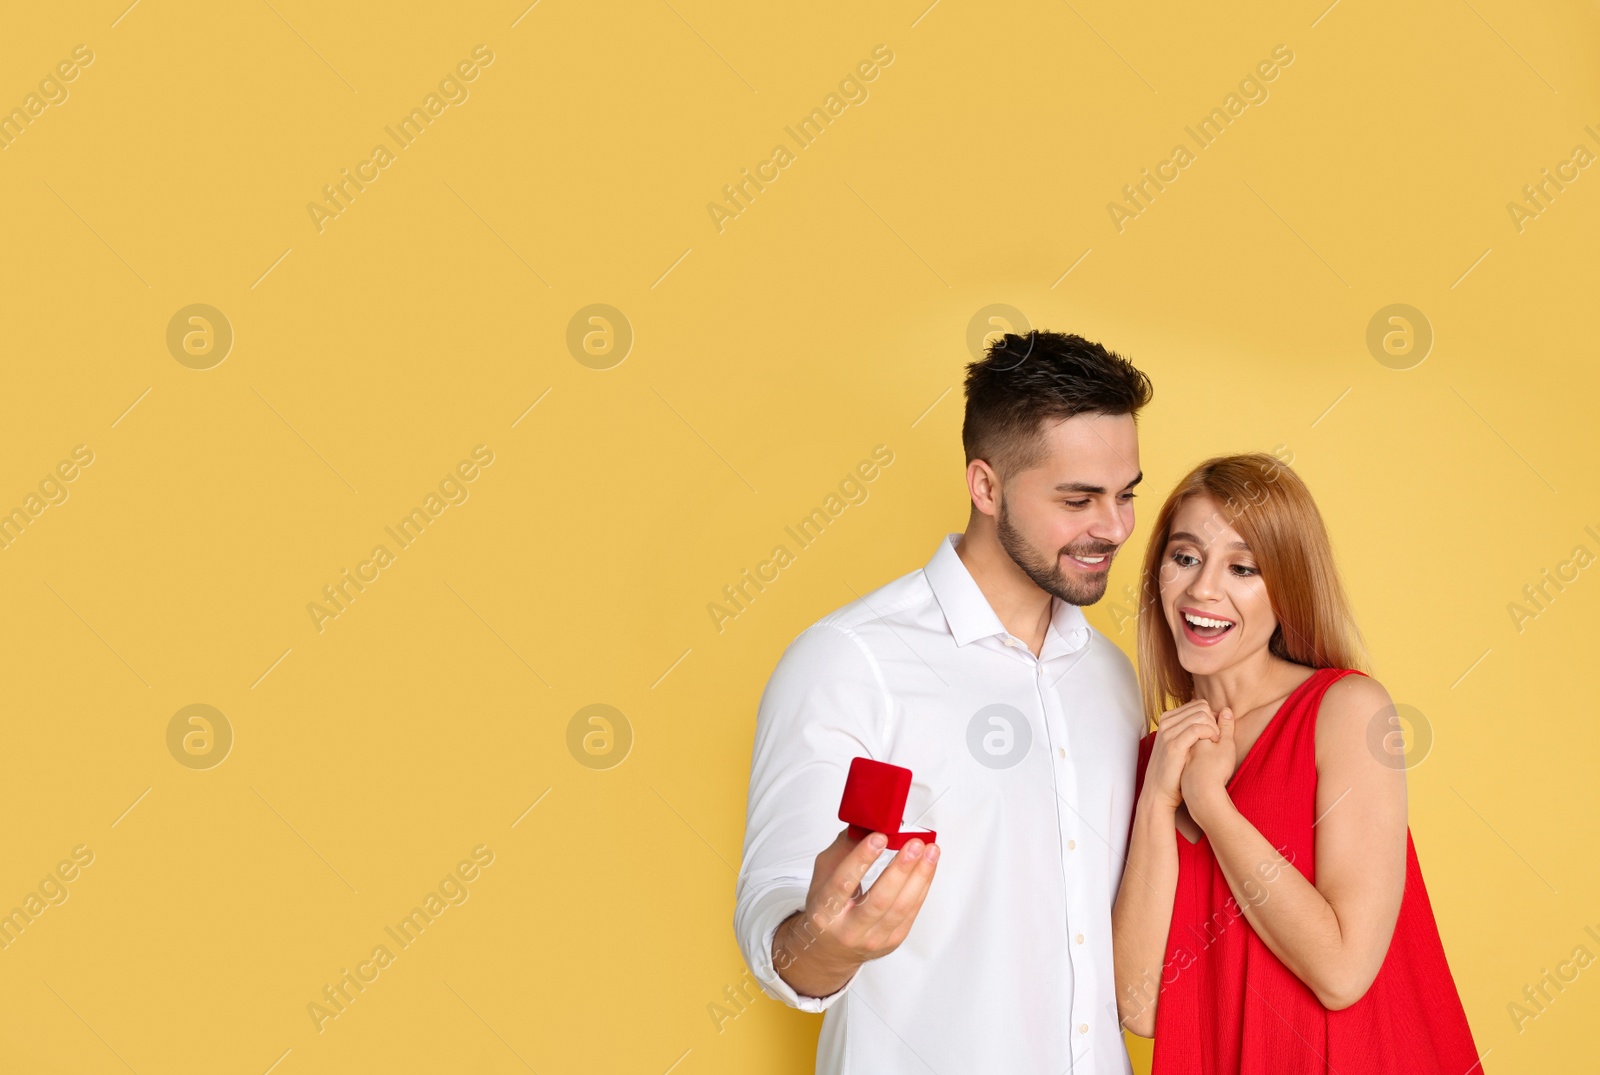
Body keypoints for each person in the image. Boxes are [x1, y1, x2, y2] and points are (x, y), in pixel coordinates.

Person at [733, 330, 1153, 1073]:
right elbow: (777, 916)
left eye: (1125, 496)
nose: (1114, 528)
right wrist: (824, 945)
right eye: (1078, 499)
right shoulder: (851, 659)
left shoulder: (1116, 679)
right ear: (985, 486)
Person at [1111, 453, 1484, 1073]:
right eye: (1184, 558)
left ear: (1286, 584)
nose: (1204, 589)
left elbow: (1342, 972)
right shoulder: (1156, 758)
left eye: (1243, 567)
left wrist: (1211, 805)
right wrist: (1158, 799)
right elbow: (1141, 1007)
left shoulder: (1346, 711)